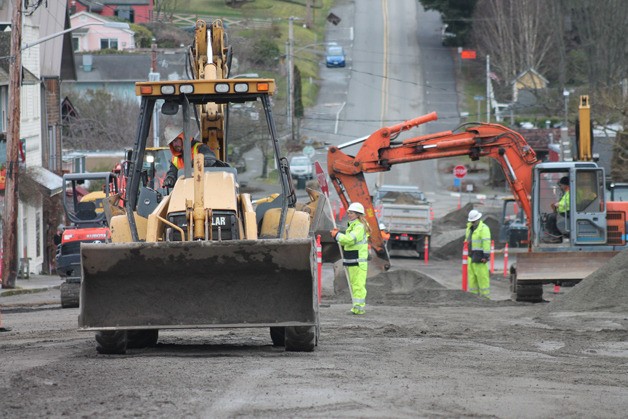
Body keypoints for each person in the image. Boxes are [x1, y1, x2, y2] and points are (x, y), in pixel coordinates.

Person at [331, 202, 371, 315]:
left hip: (358, 262)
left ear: (358, 214)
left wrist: (337, 235)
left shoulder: (359, 227)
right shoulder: (352, 226)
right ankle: (356, 306)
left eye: (351, 213)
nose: (349, 214)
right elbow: (347, 243)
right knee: (354, 285)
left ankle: (359, 308)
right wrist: (338, 236)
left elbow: (349, 240)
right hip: (352, 260)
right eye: (348, 212)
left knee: (358, 285)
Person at [465, 209, 491, 299]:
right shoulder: (469, 228)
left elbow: (486, 243)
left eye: (474, 221)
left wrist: (486, 256)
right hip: (471, 257)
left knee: (482, 279)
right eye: (471, 221)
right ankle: (473, 297)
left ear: (478, 219)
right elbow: (467, 242)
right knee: (472, 280)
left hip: (480, 258)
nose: (473, 223)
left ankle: (485, 298)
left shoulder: (484, 229)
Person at [544, 176, 570, 243]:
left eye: (561, 185)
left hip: (568, 213)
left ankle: (556, 236)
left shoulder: (570, 193)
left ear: (565, 185)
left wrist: (558, 204)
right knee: (549, 215)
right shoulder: (566, 193)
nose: (560, 187)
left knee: (551, 217)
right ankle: (552, 235)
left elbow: (568, 203)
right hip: (564, 212)